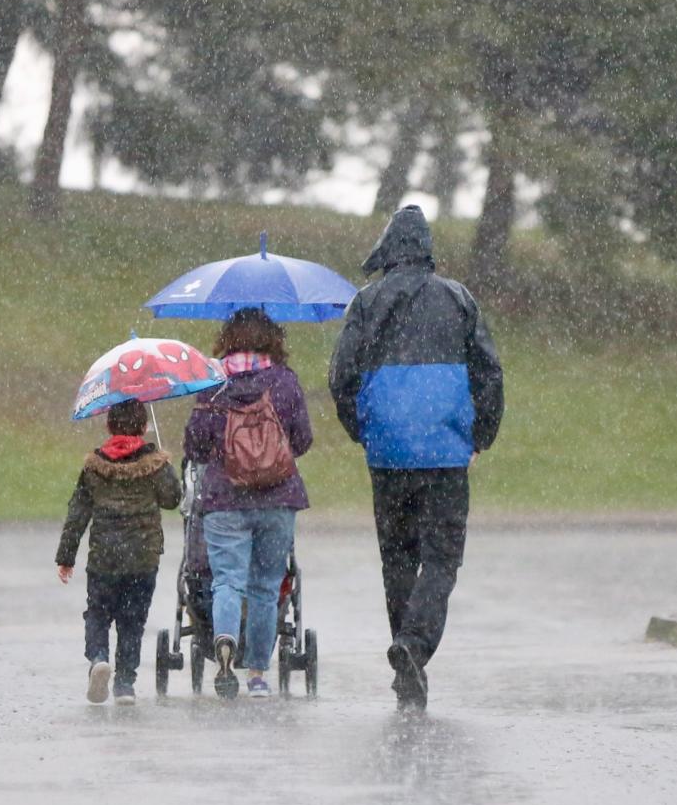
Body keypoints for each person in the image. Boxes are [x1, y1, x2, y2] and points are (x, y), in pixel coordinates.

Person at [328, 204, 503, 707]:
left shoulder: (366, 301)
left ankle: (407, 660)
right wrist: (479, 437)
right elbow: (489, 374)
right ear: (426, 250)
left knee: (397, 556)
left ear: (389, 250)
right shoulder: (458, 298)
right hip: (446, 451)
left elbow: (341, 376)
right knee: (442, 557)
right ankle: (413, 645)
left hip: (388, 454)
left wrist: (363, 430)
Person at [183, 308, 312, 698]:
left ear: (228, 339)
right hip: (277, 499)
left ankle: (224, 640)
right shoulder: (285, 382)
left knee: (226, 580)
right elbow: (302, 440)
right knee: (265, 588)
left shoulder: (214, 383)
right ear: (273, 339)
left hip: (224, 500)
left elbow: (194, 445)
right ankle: (256, 673)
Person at [55, 398, 182, 703]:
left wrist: (66, 556)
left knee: (98, 613)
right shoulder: (155, 464)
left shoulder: (94, 466)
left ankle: (99, 658)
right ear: (142, 426)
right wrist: (165, 465)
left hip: (104, 557)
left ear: (110, 426)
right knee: (132, 621)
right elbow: (172, 499)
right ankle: (125, 683)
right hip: (142, 556)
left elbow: (78, 513)